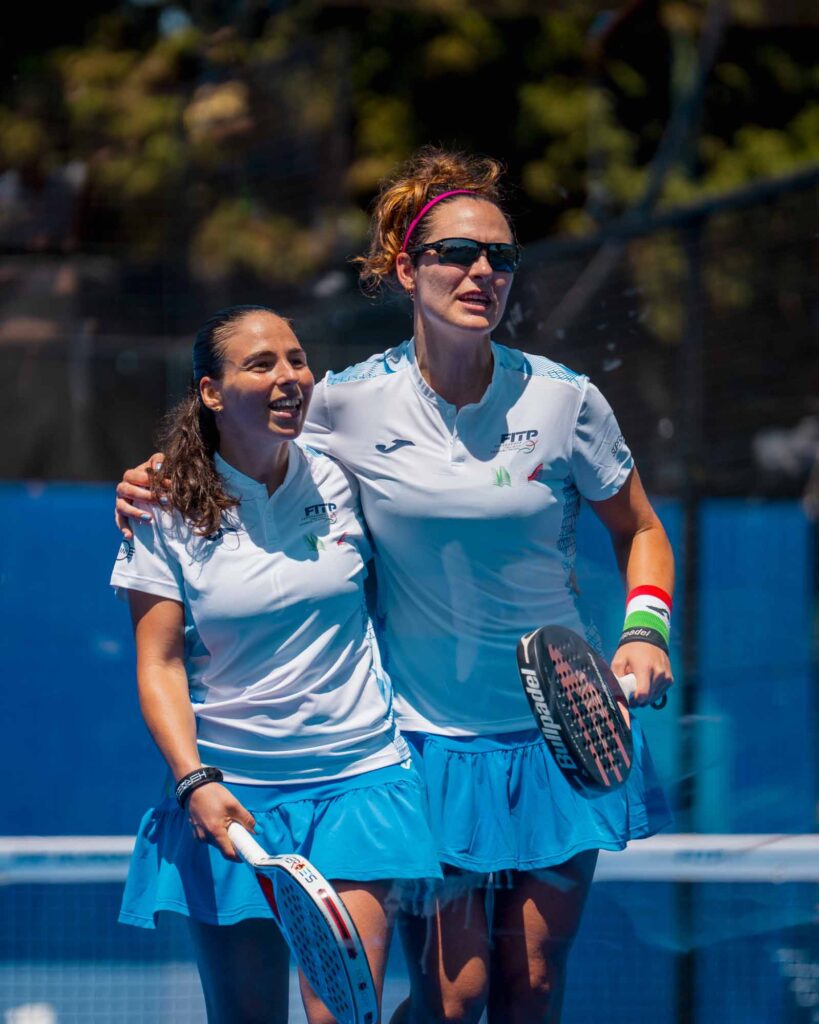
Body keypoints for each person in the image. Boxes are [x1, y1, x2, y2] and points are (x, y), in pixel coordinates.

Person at [116, 150, 674, 1024]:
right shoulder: (343, 402)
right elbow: (247, 433)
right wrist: (159, 473)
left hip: (561, 738)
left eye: (500, 256)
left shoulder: (566, 401)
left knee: (532, 986)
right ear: (407, 271)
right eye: (456, 253)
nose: (482, 272)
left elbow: (638, 528)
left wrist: (644, 631)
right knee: (455, 1001)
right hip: (420, 743)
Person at [110, 304, 442, 1024]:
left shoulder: (345, 476)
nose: (290, 376)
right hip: (233, 798)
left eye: (297, 359)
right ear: (211, 391)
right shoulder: (160, 506)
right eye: (261, 364)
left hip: (360, 782)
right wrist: (194, 781)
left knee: (343, 1015)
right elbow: (159, 664)